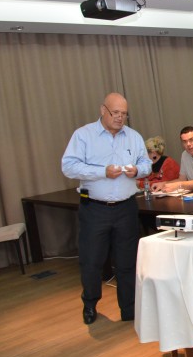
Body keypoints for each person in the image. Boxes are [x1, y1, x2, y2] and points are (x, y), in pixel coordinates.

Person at [61, 93, 151, 325]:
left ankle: (129, 309)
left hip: (126, 208)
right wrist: (102, 172)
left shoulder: (133, 137)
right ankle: (90, 304)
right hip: (95, 209)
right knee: (92, 261)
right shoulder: (83, 135)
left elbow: (146, 163)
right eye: (115, 113)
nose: (120, 118)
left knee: (127, 261)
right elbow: (68, 166)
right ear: (103, 110)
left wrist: (138, 171)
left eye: (124, 114)